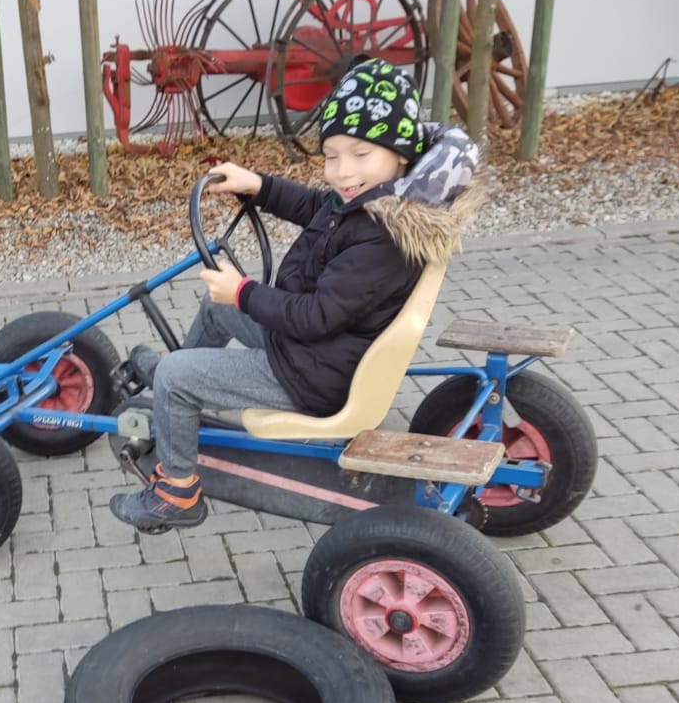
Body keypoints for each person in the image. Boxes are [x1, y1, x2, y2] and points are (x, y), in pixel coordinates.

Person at [109, 59, 481, 532]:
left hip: (311, 375)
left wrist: (243, 291)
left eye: (361, 154)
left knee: (178, 373)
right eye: (331, 155)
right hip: (315, 351)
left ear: (400, 156)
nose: (342, 171)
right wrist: (260, 186)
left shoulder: (382, 238)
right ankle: (178, 397)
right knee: (215, 308)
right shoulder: (375, 203)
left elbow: (313, 317)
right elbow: (316, 206)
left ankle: (176, 491)